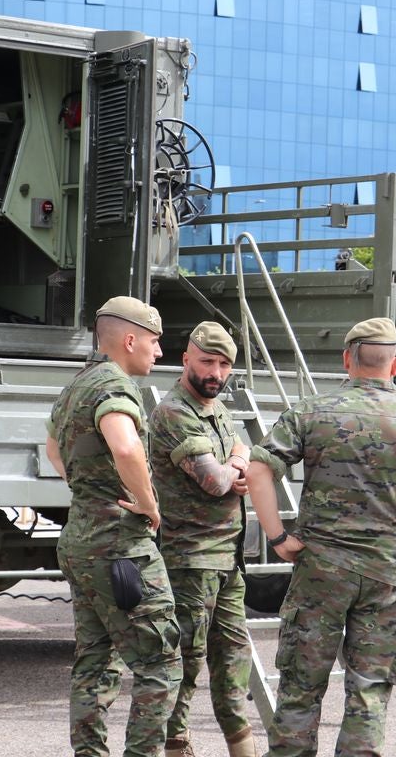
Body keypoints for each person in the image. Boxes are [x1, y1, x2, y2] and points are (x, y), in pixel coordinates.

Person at [246, 316, 396, 757]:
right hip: (390, 575)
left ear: (346, 361)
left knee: (300, 687)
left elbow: (259, 470)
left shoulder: (311, 413)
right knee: (369, 694)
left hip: (321, 572)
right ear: (395, 366)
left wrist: (279, 537)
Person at [45, 296, 182, 757]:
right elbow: (125, 448)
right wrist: (147, 503)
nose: (158, 352)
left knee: (94, 660)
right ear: (129, 339)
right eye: (154, 341)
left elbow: (52, 450)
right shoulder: (114, 388)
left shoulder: (76, 386)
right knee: (161, 663)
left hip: (80, 538)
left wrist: (89, 488)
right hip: (120, 545)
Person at [149, 321, 257, 757]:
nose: (215, 372)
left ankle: (243, 748)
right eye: (207, 361)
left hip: (227, 561)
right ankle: (176, 747)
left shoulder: (219, 409)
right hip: (190, 562)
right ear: (186, 360)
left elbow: (245, 451)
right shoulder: (175, 411)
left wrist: (236, 461)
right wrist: (235, 468)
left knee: (234, 664)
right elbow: (214, 482)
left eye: (224, 364)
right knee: (185, 664)